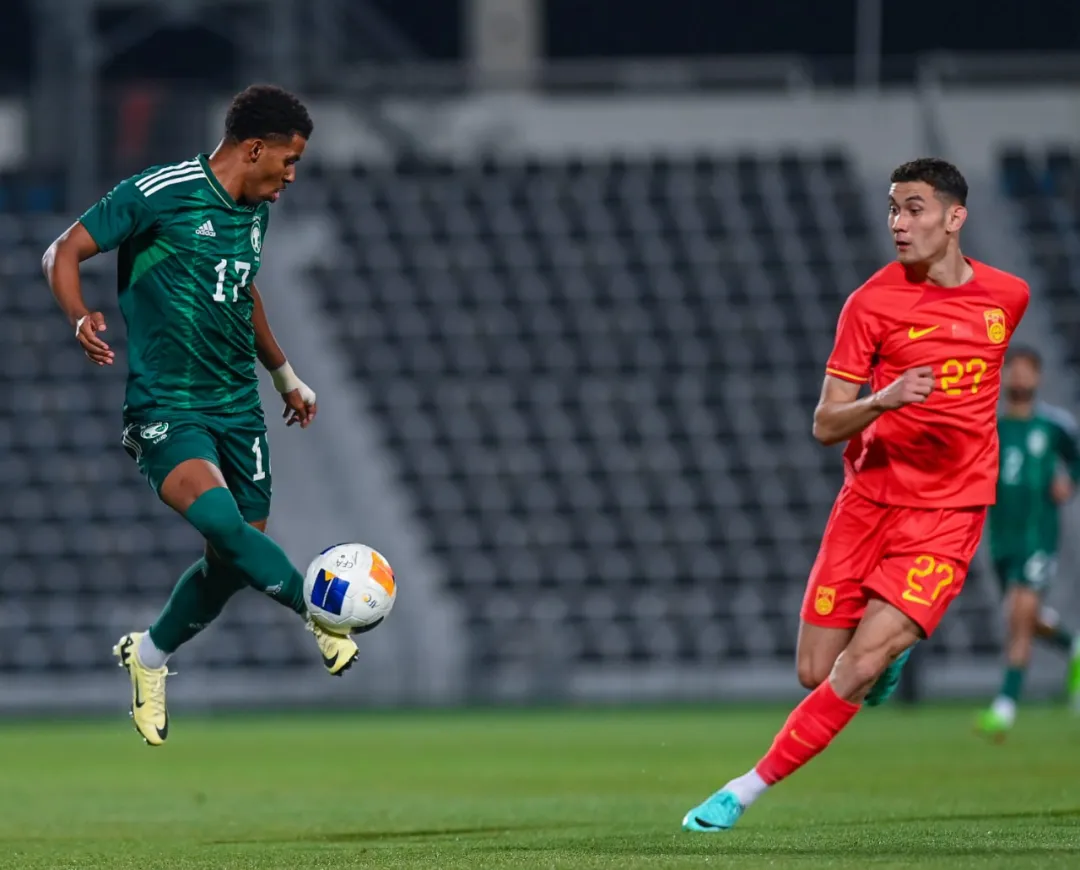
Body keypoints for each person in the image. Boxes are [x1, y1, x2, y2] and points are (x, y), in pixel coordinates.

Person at [682, 157, 1030, 831]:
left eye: (914, 208)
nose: (898, 223)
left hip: (948, 514)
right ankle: (891, 654)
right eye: (893, 209)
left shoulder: (1009, 297)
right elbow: (824, 424)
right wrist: (883, 399)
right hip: (868, 501)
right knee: (817, 671)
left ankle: (742, 790)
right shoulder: (870, 304)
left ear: (955, 218)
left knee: (859, 664)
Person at [42, 84, 359, 747]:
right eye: (290, 161)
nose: (291, 176)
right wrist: (77, 317)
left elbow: (241, 290)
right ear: (255, 149)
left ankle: (148, 655)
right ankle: (319, 614)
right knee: (221, 521)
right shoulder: (161, 193)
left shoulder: (255, 211)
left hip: (238, 408)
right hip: (167, 405)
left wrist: (285, 375)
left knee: (233, 559)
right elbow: (62, 251)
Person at [976, 346, 1080, 740]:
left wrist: (1069, 481)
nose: (1019, 377)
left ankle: (1003, 708)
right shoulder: (992, 428)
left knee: (1018, 620)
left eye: (1026, 370)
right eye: (1013, 370)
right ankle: (1073, 646)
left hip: (1039, 537)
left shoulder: (1053, 427)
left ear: (1038, 377)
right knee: (1025, 617)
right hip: (1001, 538)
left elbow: (1076, 457)